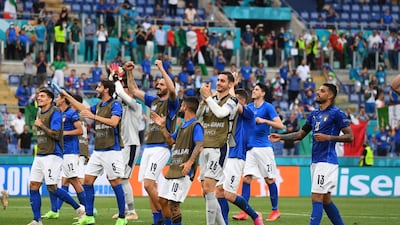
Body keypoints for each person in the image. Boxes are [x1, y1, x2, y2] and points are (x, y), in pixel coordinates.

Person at [269, 83, 354, 225]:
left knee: (316, 197)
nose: (317, 92)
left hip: (326, 162)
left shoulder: (336, 113)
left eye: (322, 91)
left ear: (330, 95)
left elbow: (350, 137)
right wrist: (281, 137)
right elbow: (300, 134)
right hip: (315, 162)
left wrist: (329, 138)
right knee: (325, 199)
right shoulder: (314, 114)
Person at [61, 80, 127, 225]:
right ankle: (89, 215)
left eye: (99, 86)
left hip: (112, 149)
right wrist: (67, 96)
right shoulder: (98, 105)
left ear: (106, 90)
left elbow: (114, 122)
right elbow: (83, 109)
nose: (96, 88)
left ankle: (122, 216)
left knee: (115, 182)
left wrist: (94, 117)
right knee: (87, 182)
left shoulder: (115, 104)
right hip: (98, 150)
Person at [127, 60, 179, 225]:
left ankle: (167, 218)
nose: (158, 85)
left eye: (161, 84)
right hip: (148, 147)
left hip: (161, 147)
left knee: (149, 184)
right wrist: (129, 72)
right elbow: (134, 90)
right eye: (157, 83)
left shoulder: (172, 103)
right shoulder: (154, 102)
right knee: (148, 187)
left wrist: (161, 68)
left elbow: (172, 89)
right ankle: (157, 221)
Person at [28, 88, 85, 225]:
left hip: (52, 155)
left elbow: (56, 134)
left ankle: (79, 208)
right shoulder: (39, 112)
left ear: (49, 99)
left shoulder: (55, 114)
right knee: (33, 185)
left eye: (42, 96)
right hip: (40, 154)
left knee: (52, 187)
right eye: (38, 95)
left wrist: (41, 125)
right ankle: (37, 220)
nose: (39, 98)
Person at [233, 83, 284, 222]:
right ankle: (244, 211)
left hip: (263, 149)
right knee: (246, 178)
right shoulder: (248, 107)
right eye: (253, 89)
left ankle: (275, 210)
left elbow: (280, 125)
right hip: (250, 149)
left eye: (256, 89)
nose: (253, 91)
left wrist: (264, 121)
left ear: (263, 93)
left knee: (269, 179)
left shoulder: (268, 107)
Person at [151, 96, 204, 225]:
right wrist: (163, 127)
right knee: (162, 200)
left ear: (185, 107)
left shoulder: (195, 125)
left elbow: (200, 144)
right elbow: (170, 141)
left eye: (182, 105)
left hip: (183, 170)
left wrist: (190, 162)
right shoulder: (181, 126)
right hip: (174, 168)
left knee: (174, 205)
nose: (180, 107)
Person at [196, 71, 238, 225]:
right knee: (206, 192)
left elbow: (221, 113)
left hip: (218, 148)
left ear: (230, 84)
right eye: (218, 80)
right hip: (205, 147)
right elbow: (199, 117)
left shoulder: (232, 101)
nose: (219, 83)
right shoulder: (211, 99)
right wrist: (203, 101)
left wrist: (207, 97)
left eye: (223, 81)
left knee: (209, 188)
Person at [218, 88, 264, 225]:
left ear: (241, 100)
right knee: (219, 192)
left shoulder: (248, 113)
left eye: (233, 99)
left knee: (228, 194)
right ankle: (224, 222)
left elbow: (235, 104)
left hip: (236, 156)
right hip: (224, 156)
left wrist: (231, 86)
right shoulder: (231, 116)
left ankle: (255, 216)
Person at [110, 63, 143, 221]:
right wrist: (113, 77)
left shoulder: (135, 105)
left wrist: (117, 77)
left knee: (123, 179)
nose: (125, 89)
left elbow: (120, 92)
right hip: (123, 145)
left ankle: (132, 211)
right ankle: (123, 210)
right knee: (120, 178)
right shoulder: (121, 104)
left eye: (127, 88)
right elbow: (115, 93)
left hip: (131, 145)